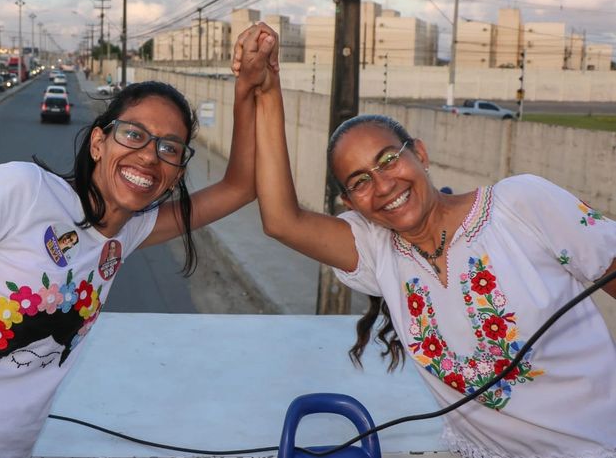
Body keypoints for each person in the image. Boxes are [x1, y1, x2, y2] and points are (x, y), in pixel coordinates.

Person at [234, 24, 616, 458]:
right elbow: (281, 220)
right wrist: (266, 89)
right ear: (350, 203)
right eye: (360, 181)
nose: (382, 185)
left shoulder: (523, 204)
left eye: (389, 160)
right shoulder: (379, 251)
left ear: (421, 153)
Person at [0, 26, 278, 458]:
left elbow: (240, 186)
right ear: (97, 142)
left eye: (169, 148)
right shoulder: (22, 190)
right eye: (133, 134)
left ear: (177, 174)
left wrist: (247, 89)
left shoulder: (127, 232)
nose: (149, 154)